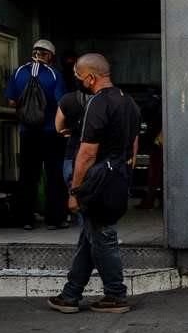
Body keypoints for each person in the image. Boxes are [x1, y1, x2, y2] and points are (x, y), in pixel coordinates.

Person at [47, 53, 141, 314]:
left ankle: (115, 295)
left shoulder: (98, 104)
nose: (77, 80)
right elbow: (134, 144)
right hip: (119, 175)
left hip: (98, 179)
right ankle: (71, 294)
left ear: (90, 77)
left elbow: (87, 153)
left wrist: (75, 191)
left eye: (78, 76)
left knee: (102, 236)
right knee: (91, 236)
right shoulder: (129, 102)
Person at [5, 39, 68, 230]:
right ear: (49, 55)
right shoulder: (54, 74)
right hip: (50, 131)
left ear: (34, 52)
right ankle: (55, 219)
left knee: (27, 175)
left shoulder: (18, 72)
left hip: (27, 132)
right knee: (54, 175)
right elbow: (61, 105)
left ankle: (25, 219)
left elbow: (11, 102)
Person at [55, 89, 91, 227]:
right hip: (98, 156)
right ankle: (95, 236)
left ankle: (87, 234)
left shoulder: (67, 99)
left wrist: (69, 130)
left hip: (72, 153)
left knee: (78, 197)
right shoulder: (104, 99)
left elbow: (58, 127)